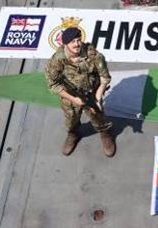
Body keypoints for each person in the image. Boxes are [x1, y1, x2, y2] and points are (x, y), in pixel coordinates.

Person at [45, 27, 116, 157]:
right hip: (70, 94)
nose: (77, 44)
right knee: (71, 118)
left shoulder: (94, 56)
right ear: (65, 44)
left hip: (92, 92)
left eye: (78, 40)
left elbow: (105, 76)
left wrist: (98, 96)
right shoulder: (57, 61)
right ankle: (73, 134)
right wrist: (74, 99)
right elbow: (53, 85)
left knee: (97, 116)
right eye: (72, 41)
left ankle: (104, 134)